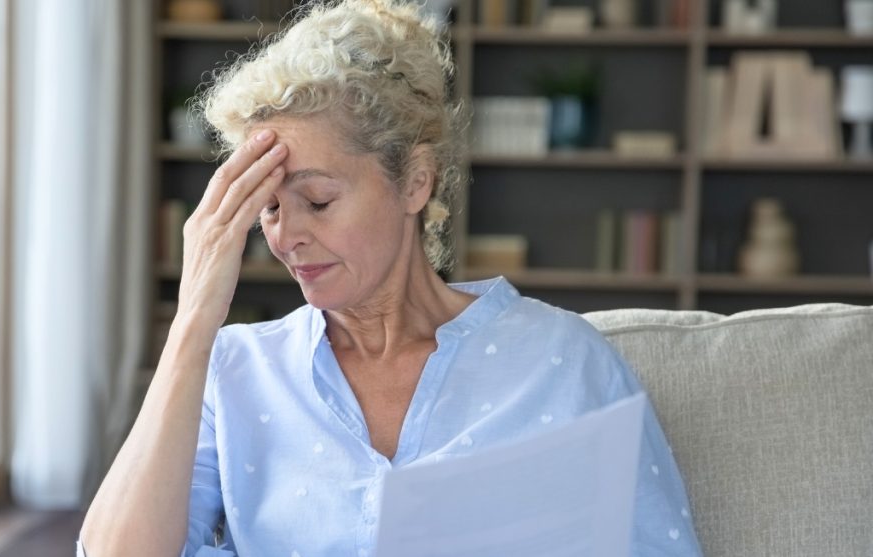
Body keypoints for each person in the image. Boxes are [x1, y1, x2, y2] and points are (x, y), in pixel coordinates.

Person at [78, 0, 703, 555]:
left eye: (317, 200)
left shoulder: (562, 363)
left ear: (415, 182)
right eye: (267, 209)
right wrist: (193, 321)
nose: (285, 237)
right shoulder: (237, 371)